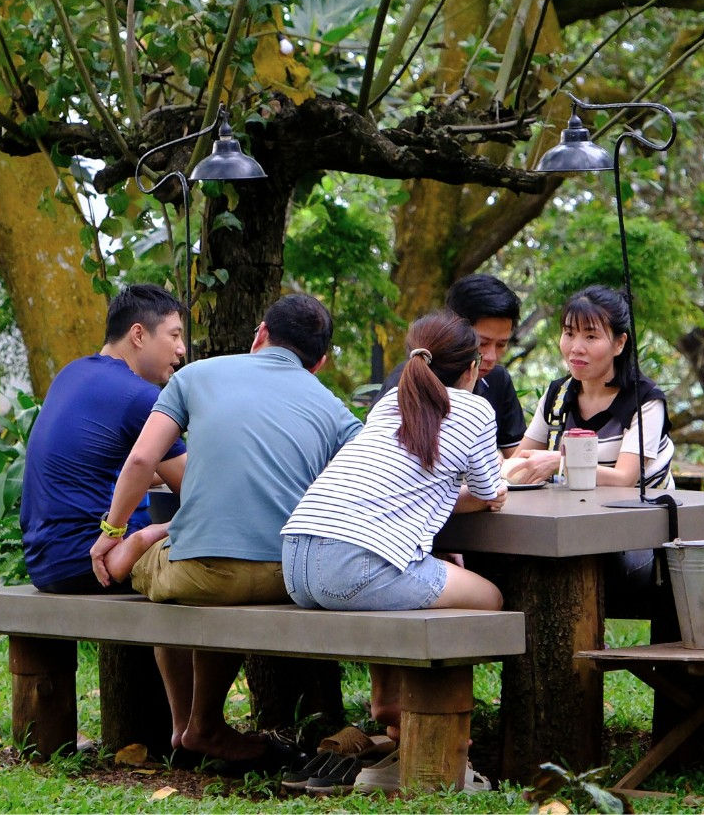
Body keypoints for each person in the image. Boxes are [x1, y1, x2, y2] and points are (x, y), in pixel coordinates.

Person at [90, 293, 361, 767]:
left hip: (203, 571)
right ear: (318, 363)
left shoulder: (196, 375)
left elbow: (140, 459)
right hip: (291, 576)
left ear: (260, 334)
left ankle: (186, 726)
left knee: (173, 571)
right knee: (221, 582)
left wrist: (115, 529)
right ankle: (203, 726)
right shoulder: (333, 407)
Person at [281, 310, 506, 792]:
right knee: (488, 601)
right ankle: (445, 755)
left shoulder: (387, 405)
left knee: (420, 580)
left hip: (297, 564)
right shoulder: (474, 409)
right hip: (352, 565)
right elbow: (490, 492)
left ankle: (393, 724)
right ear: (471, 369)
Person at [20, 282, 188, 595]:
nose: (181, 349)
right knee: (210, 568)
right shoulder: (140, 396)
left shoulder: (72, 373)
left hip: (46, 562)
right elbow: (193, 485)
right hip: (97, 560)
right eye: (174, 335)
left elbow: (99, 468)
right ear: (138, 335)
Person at [506, 285, 675, 492]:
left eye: (591, 337)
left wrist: (558, 463)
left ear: (619, 343)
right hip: (572, 517)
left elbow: (624, 479)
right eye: (569, 333)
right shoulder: (557, 396)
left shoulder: (645, 400)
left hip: (639, 519)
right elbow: (517, 464)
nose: (576, 348)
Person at [379, 273, 525, 455]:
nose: (491, 357)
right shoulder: (409, 378)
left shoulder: (497, 380)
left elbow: (518, 457)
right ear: (453, 328)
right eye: (482, 343)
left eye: (501, 345)